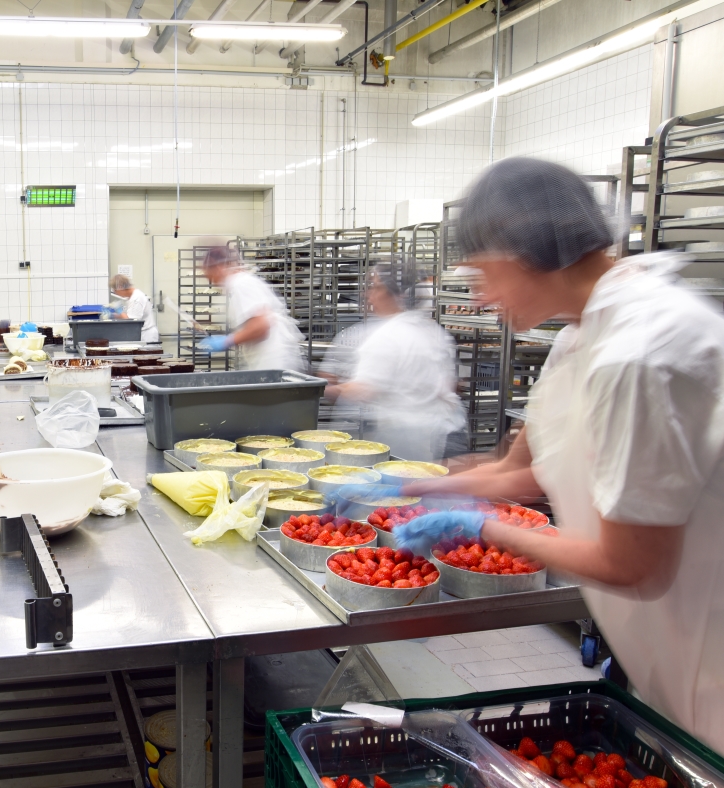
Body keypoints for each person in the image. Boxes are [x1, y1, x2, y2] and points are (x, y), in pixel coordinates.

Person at [395, 157, 724, 753]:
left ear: (526, 250)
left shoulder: (641, 350)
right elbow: (523, 472)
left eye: (481, 275)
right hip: (664, 656)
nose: (479, 298)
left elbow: (633, 564)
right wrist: (411, 488)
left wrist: (480, 526)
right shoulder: (577, 338)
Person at [322, 260, 464, 461]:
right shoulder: (434, 331)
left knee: (409, 487)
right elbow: (452, 386)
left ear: (398, 294)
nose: (368, 294)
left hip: (411, 438)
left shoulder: (388, 336)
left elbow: (362, 390)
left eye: (375, 287)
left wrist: (316, 389)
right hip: (446, 432)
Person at [197, 246, 306, 372]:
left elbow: (261, 327)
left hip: (273, 362)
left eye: (210, 277)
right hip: (268, 362)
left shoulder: (240, 284)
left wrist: (226, 341)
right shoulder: (242, 282)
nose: (212, 282)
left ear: (218, 268)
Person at [109, 273, 160, 344]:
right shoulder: (131, 297)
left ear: (120, 287)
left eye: (115, 291)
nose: (116, 293)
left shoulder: (137, 298)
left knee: (146, 355)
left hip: (146, 336)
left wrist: (119, 311)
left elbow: (132, 322)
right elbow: (128, 316)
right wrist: (114, 315)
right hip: (140, 334)